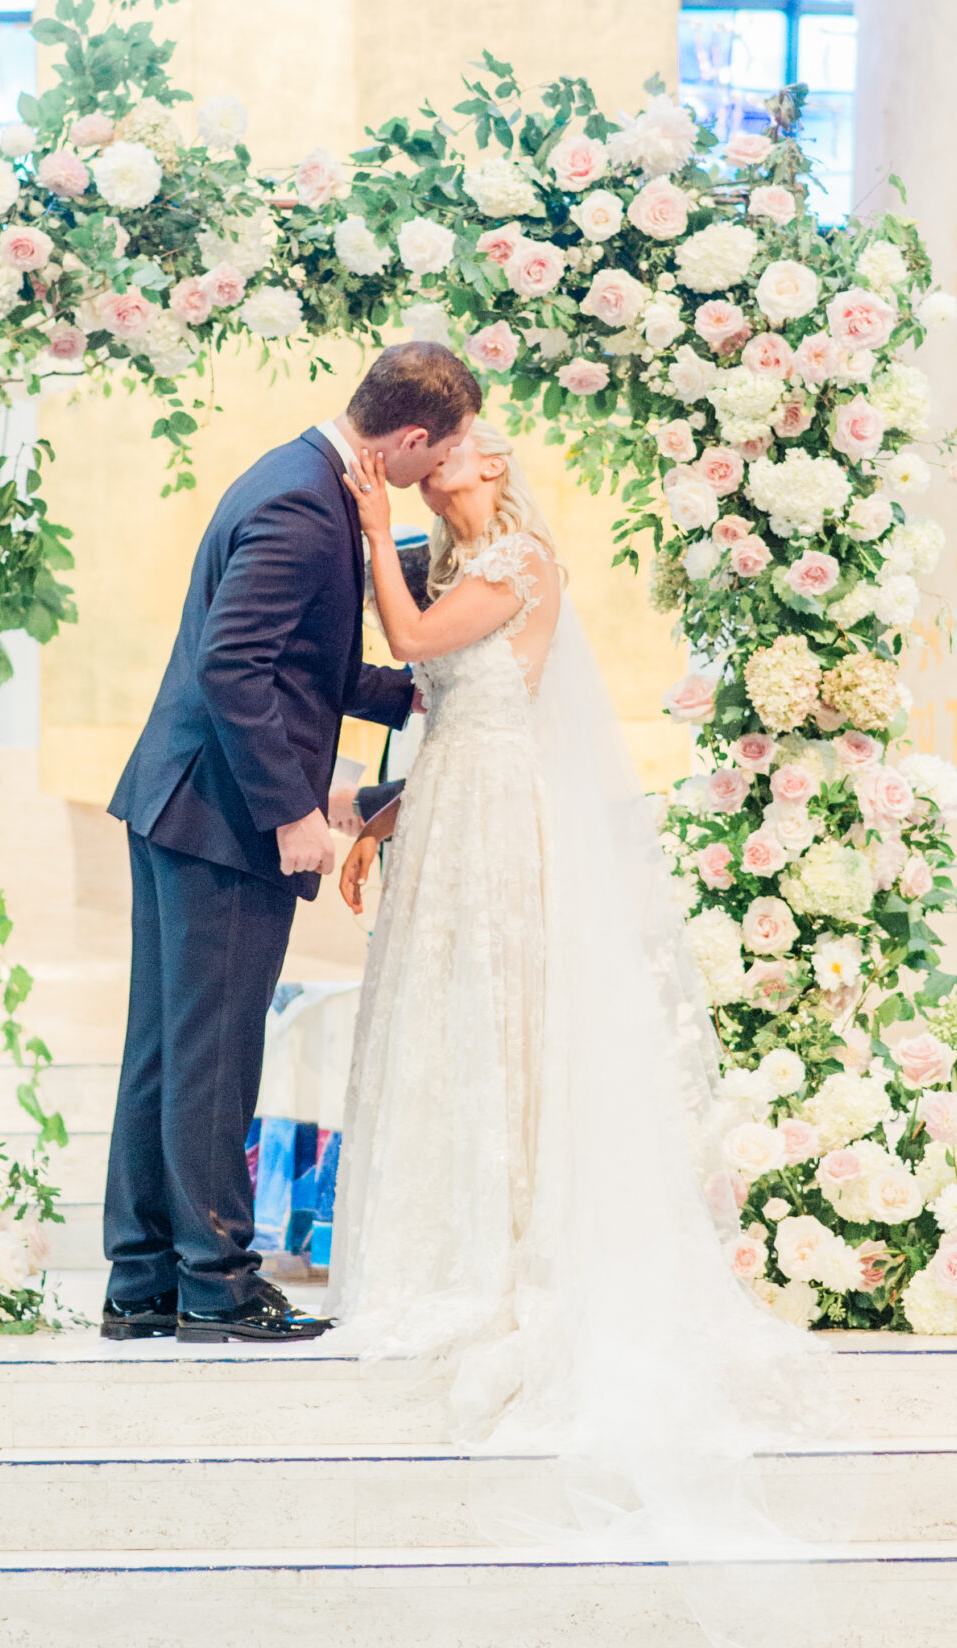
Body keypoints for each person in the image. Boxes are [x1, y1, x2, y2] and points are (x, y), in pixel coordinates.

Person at [332, 420, 814, 1544]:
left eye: (460, 445)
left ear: (492, 468)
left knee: (504, 1013)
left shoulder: (517, 561)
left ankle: (509, 1246)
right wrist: (379, 816)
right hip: (450, 806)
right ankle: (453, 1231)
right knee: (447, 1023)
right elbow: (449, 713)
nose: (438, 458)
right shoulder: (453, 565)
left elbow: (408, 642)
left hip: (501, 819)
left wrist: (367, 523)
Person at [100, 340, 480, 1345]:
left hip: (179, 800)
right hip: (224, 815)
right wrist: (294, 813)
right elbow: (233, 669)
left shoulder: (294, 474)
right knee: (212, 1051)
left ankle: (142, 1279)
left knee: (167, 1048)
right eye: (441, 448)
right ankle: (217, 1283)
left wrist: (419, 690)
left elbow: (299, 664)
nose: (439, 466)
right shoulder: (304, 506)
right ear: (409, 437)